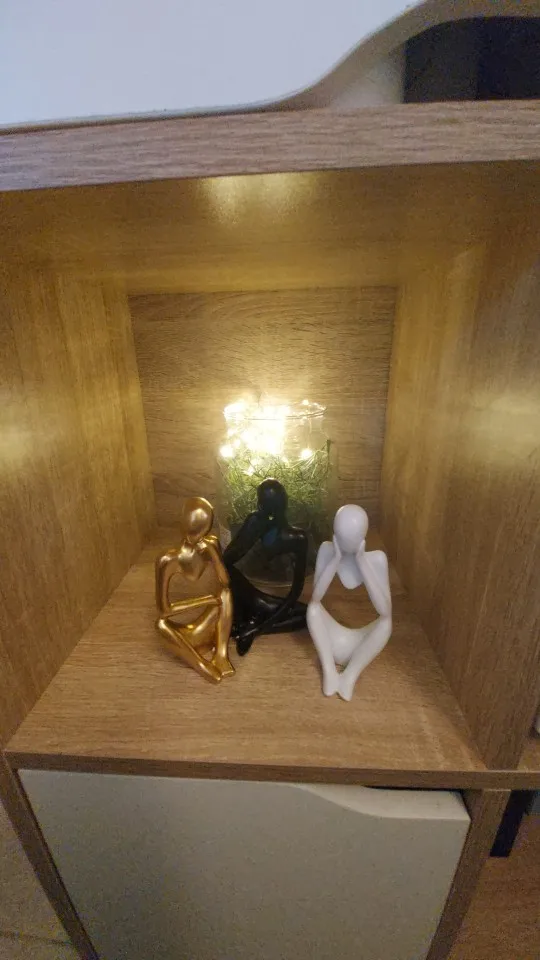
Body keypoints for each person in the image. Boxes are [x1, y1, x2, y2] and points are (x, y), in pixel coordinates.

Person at [307, 504, 392, 700]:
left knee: (386, 624)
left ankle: (349, 675)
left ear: (362, 538)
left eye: (352, 540)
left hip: (361, 646)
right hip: (332, 641)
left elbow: (385, 611)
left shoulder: (377, 559)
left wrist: (361, 561)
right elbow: (316, 598)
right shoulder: (327, 550)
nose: (346, 546)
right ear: (335, 535)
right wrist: (335, 559)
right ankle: (329, 670)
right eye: (342, 538)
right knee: (312, 609)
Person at [224, 479, 308, 655]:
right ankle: (245, 621)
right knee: (306, 615)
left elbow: (294, 593)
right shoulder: (256, 522)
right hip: (248, 595)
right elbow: (227, 560)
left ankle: (252, 625)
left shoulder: (297, 537)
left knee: (308, 615)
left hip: (269, 600)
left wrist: (257, 630)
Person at [155, 496, 234, 683]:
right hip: (182, 638)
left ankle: (220, 655)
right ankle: (201, 665)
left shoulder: (210, 545)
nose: (194, 537)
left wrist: (213, 553)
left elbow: (225, 582)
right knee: (160, 625)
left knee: (226, 594)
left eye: (200, 530)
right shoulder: (167, 560)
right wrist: (207, 600)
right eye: (191, 529)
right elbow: (164, 610)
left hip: (206, 627)